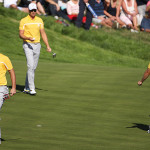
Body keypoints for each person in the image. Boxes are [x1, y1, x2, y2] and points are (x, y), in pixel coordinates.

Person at [19, 3, 52, 95]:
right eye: (32, 10)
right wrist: (27, 38)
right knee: (30, 65)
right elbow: (20, 34)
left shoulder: (39, 20)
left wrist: (48, 45)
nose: (33, 12)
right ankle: (31, 88)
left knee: (33, 67)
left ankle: (26, 87)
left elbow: (43, 33)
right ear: (29, 11)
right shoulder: (23, 20)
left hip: (37, 45)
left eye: (35, 10)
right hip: (27, 44)